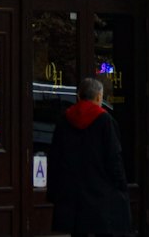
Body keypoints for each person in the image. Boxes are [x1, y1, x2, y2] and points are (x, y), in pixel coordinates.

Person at [48, 76, 131, 237]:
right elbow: (114, 159)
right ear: (99, 97)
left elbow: (55, 158)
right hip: (101, 193)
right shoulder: (106, 121)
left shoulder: (65, 120)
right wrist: (122, 186)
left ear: (78, 96)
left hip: (73, 194)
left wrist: (54, 191)